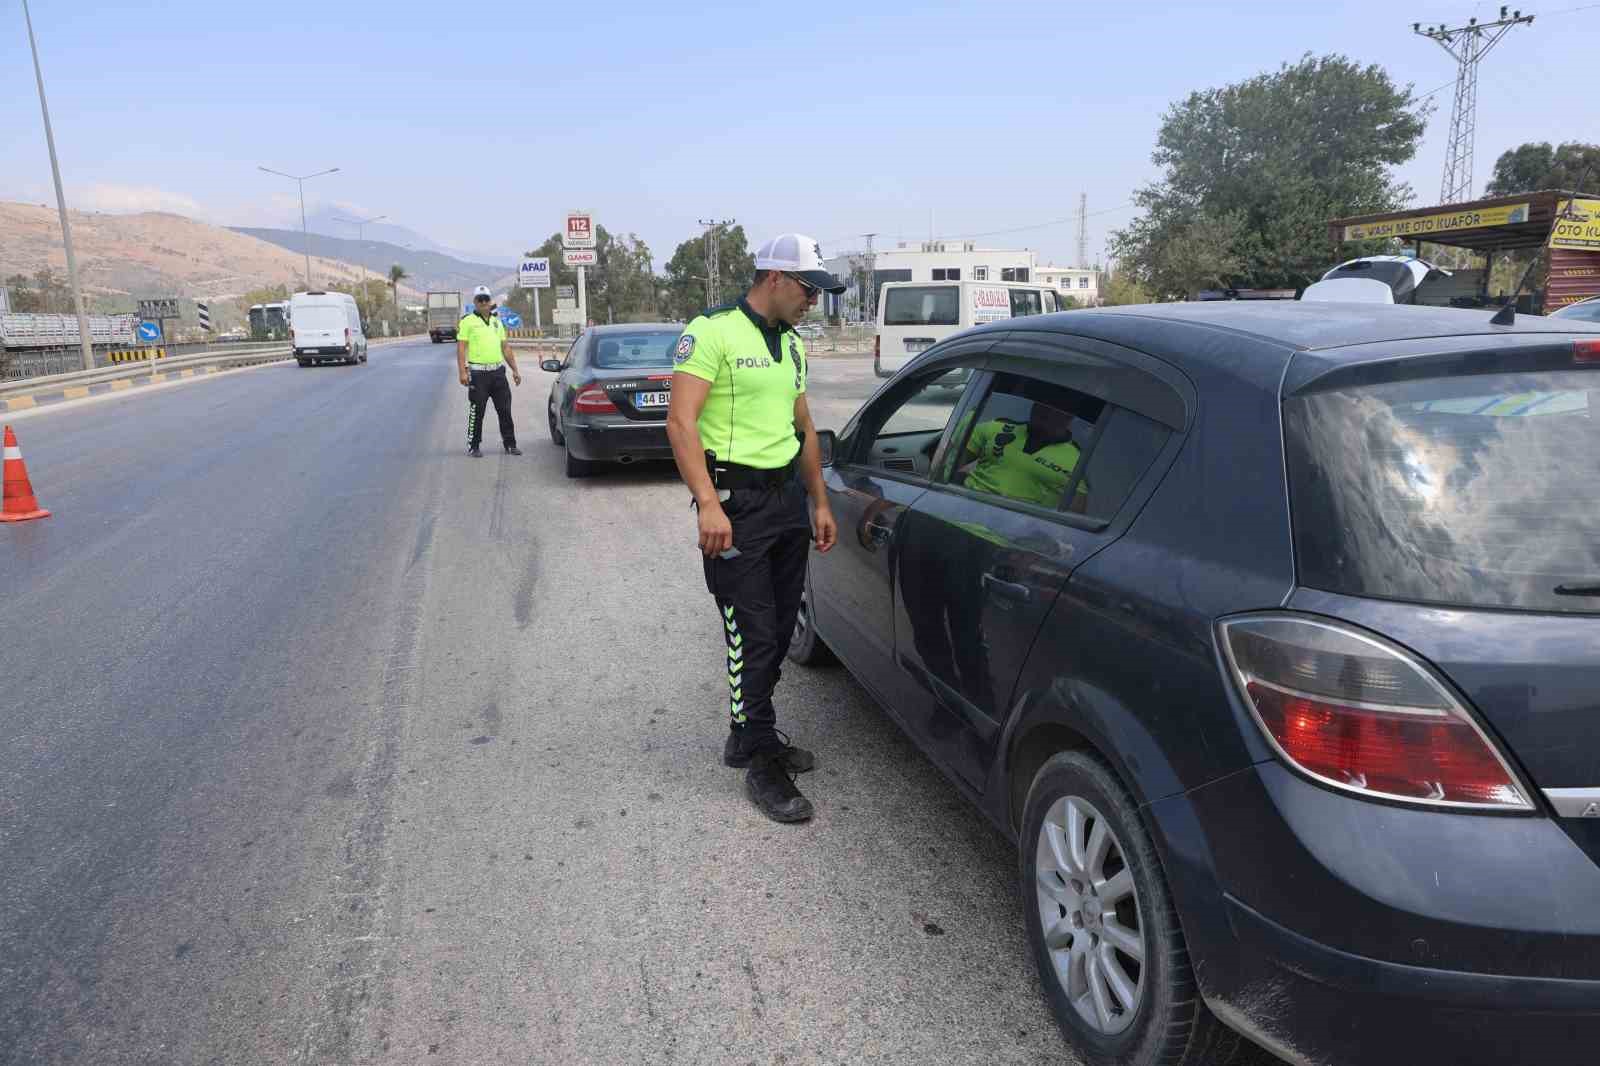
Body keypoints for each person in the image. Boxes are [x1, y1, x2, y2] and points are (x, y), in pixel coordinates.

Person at [665, 233, 843, 823]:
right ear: (775, 278)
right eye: (809, 289)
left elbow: (804, 428)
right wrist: (708, 503)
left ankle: (748, 734)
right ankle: (761, 757)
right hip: (735, 507)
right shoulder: (712, 331)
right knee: (753, 633)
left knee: (780, 627)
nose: (814, 301)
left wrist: (819, 501)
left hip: (787, 502)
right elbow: (681, 423)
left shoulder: (791, 344)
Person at [457, 285, 522, 457]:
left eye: (486, 299)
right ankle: (474, 446)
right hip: (478, 374)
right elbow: (461, 347)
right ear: (475, 302)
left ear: (490, 301)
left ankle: (510, 444)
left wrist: (515, 370)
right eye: (480, 299)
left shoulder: (496, 322)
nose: (483, 302)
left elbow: (505, 347)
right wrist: (462, 372)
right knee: (477, 411)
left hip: (498, 373)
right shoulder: (467, 321)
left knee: (505, 410)